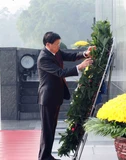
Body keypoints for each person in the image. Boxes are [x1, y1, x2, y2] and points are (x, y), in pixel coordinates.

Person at [37, 31, 94, 160]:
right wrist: (80, 66)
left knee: (51, 128)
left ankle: (46, 156)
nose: (59, 46)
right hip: (47, 98)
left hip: (55, 96)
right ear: (48, 44)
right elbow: (60, 72)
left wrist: (85, 54)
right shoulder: (44, 58)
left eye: (59, 43)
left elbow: (69, 55)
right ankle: (44, 157)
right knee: (47, 129)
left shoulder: (55, 52)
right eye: (57, 44)